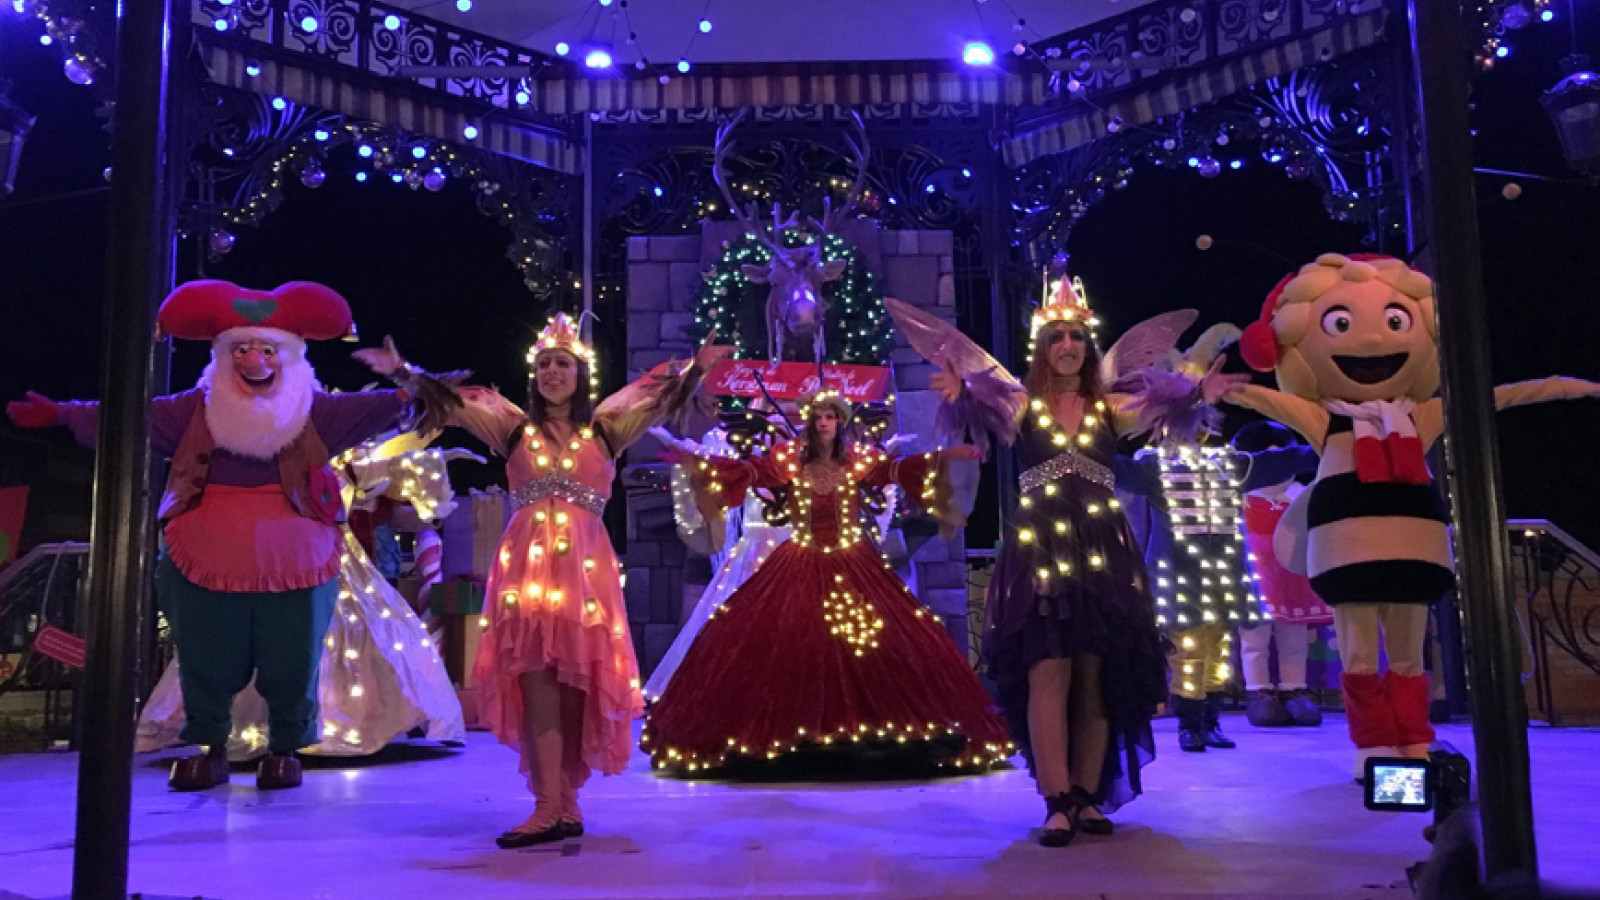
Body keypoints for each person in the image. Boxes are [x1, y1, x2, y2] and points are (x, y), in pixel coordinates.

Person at [5, 279, 459, 790]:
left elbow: (418, 401)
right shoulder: (193, 409)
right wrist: (63, 414)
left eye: (267, 350)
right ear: (224, 356)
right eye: (241, 349)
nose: (253, 360)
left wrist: (401, 371)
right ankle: (211, 746)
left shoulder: (317, 412)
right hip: (205, 550)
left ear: (286, 358)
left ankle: (285, 747)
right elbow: (131, 416)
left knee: (292, 655)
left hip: (298, 557)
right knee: (205, 655)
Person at [1226, 252, 1600, 774]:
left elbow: (1498, 398)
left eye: (1395, 322)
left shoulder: (1421, 415)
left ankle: (1413, 740)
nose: (1375, 342)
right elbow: (1258, 398)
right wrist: (1206, 388)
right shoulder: (1322, 418)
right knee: (1358, 659)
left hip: (1413, 553)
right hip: (1347, 555)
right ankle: (1372, 744)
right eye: (1342, 324)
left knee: (1408, 659)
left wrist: (1569, 386)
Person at [901, 276, 1242, 846]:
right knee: (1048, 668)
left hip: (1104, 552)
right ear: (1042, 345)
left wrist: (1198, 394)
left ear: (1089, 346)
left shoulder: (1110, 406)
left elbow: (1168, 407)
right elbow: (974, 407)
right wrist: (961, 393)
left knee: (1094, 674)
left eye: (1077, 337)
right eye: (1057, 336)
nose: (1067, 345)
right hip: (1041, 549)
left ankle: (1086, 796)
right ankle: (1056, 799)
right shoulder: (1019, 402)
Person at [448, 313, 718, 848]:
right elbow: (456, 402)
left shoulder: (605, 430)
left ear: (579, 374)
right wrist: (406, 374)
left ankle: (567, 804)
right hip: (526, 575)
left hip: (583, 578)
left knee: (578, 688)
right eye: (545, 364)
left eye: (563, 364)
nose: (552, 372)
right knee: (538, 684)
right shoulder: (513, 430)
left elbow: (654, 395)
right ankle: (547, 804)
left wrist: (693, 367)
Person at [642, 390, 1010, 776]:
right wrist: (698, 463)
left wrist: (944, 459)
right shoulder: (788, 461)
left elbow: (898, 471)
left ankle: (874, 726)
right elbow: (746, 473)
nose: (823, 423)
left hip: (854, 562)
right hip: (799, 559)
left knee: (874, 641)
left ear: (840, 421)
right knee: (785, 639)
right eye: (817, 416)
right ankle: (788, 730)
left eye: (830, 416)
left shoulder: (857, 461)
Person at [134, 429, 479, 758]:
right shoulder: (271, 463)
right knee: (274, 635)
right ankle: (247, 729)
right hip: (285, 557)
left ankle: (326, 726)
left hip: (334, 559)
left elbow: (400, 499)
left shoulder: (351, 465)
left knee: (345, 634)